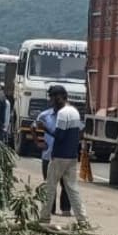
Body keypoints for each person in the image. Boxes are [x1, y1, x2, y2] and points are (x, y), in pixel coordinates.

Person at [40, 84, 89, 225]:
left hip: (60, 156)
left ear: (59, 97)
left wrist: (45, 128)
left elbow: (59, 136)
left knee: (49, 187)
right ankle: (82, 219)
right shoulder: (74, 111)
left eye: (52, 97)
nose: (51, 101)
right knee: (72, 188)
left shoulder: (62, 113)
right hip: (71, 156)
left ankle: (44, 217)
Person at [35, 102, 72, 216]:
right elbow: (33, 126)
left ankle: (65, 209)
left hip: (65, 157)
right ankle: (50, 208)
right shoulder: (44, 115)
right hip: (48, 155)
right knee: (50, 184)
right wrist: (38, 142)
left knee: (66, 184)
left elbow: (81, 129)